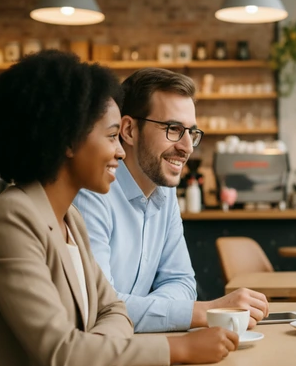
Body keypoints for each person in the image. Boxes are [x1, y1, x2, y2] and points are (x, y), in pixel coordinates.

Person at [0, 52, 239, 366]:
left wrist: (95, 340)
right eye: (111, 137)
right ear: (67, 140)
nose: (120, 153)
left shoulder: (69, 220)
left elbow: (113, 312)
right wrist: (179, 347)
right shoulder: (9, 219)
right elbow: (61, 353)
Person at [73, 68, 268, 333]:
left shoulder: (165, 191)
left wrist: (141, 310)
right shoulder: (92, 193)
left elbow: (182, 282)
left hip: (134, 347)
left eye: (192, 132)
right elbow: (100, 306)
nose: (187, 146)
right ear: (129, 130)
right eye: (174, 129)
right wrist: (206, 311)